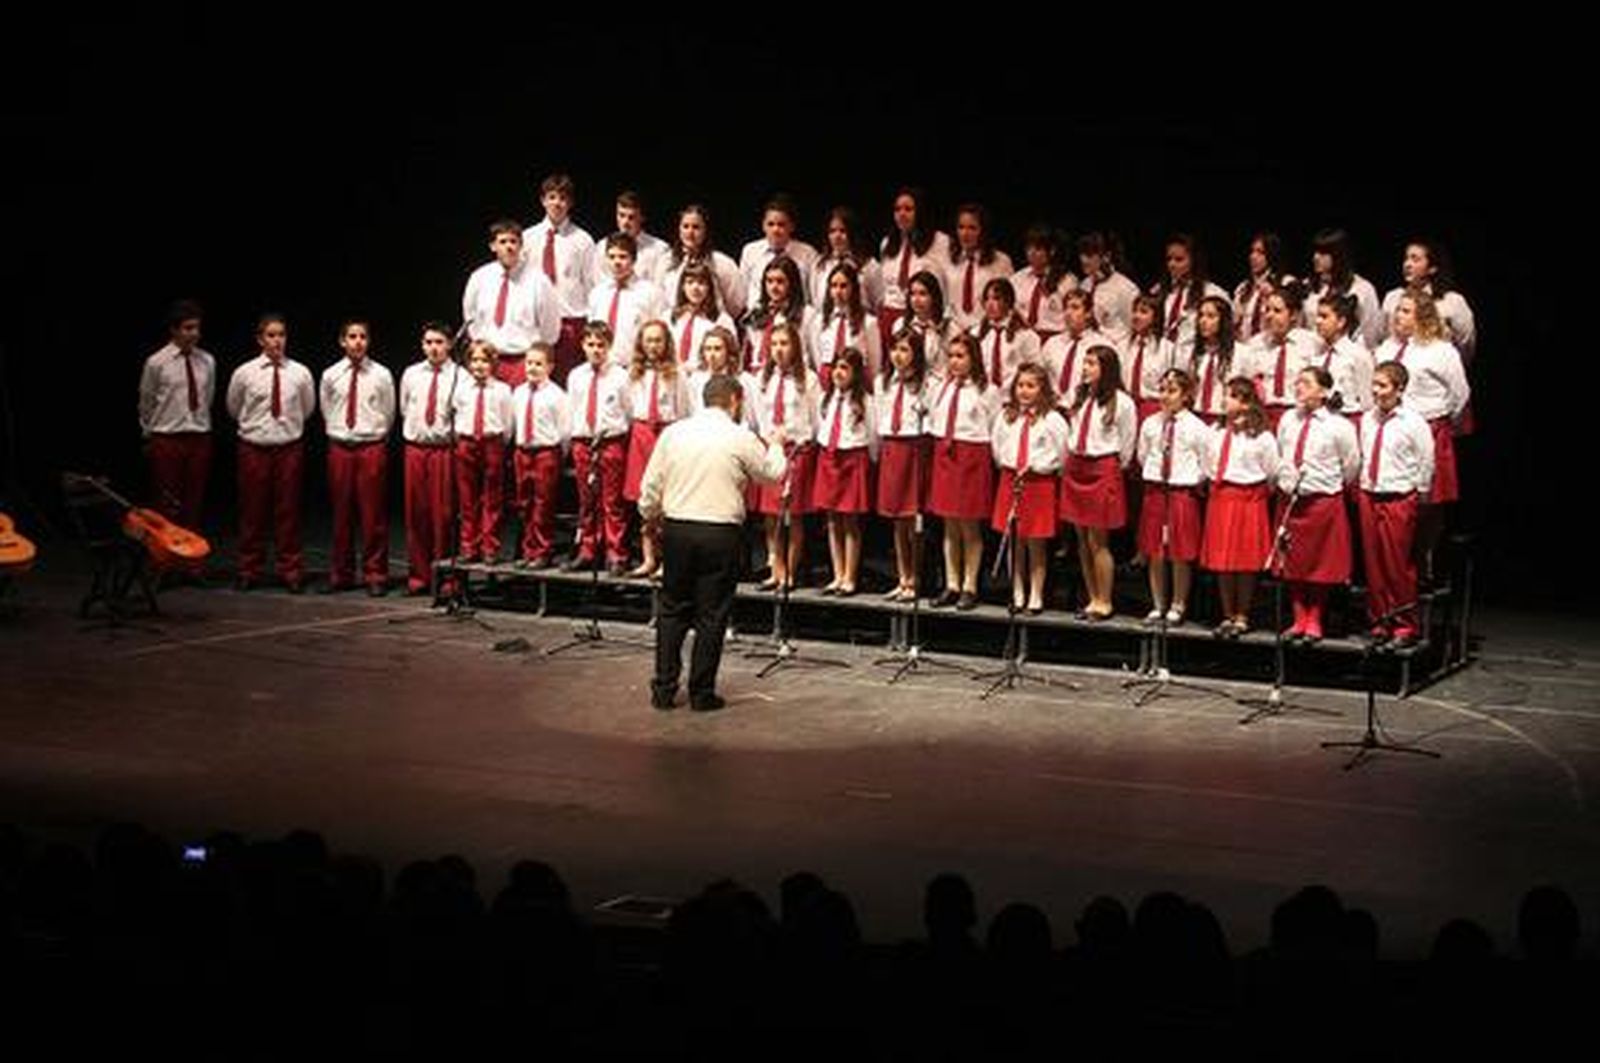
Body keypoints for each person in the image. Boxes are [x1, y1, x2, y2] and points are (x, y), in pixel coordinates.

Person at [639, 374, 787, 712]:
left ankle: (663, 689)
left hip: (679, 528)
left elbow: (651, 484)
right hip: (720, 532)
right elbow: (771, 474)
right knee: (711, 613)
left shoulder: (674, 433)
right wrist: (777, 443)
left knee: (672, 610)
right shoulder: (740, 436)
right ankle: (701, 692)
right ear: (735, 401)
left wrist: (650, 515)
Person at [226, 313, 316, 591]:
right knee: (252, 512)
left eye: (281, 335)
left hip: (288, 448)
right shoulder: (245, 373)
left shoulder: (299, 373)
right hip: (255, 449)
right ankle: (248, 568)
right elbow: (234, 407)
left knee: (288, 511)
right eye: (271, 335)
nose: (277, 341)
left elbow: (307, 408)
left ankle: (291, 570)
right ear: (260, 339)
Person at [1358, 361, 1435, 647]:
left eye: (1383, 385)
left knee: (1397, 563)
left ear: (1399, 389)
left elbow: (1426, 461)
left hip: (1399, 496)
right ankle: (1380, 619)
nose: (1376, 391)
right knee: (1373, 562)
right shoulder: (1368, 419)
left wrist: (1420, 494)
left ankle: (1404, 623)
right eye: (1374, 384)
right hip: (1371, 493)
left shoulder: (1413, 422)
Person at [319, 319, 396, 594]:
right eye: (352, 336)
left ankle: (375, 575)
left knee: (373, 515)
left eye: (363, 336)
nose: (358, 341)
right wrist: (341, 431)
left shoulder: (381, 374)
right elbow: (325, 408)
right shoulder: (331, 375)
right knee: (341, 514)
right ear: (342, 341)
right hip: (341, 447)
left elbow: (388, 413)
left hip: (370, 447)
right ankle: (342, 574)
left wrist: (373, 434)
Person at [1060, 345, 1137, 620]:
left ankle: (1105, 600)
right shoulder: (1079, 396)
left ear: (1107, 368)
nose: (1085, 368)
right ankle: (1092, 597)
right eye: (1085, 362)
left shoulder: (1122, 402)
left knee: (1098, 540)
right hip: (1077, 466)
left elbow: (1127, 445)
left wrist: (1114, 467)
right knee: (1081, 538)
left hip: (1102, 468)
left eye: (1092, 364)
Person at [1201, 378, 1279, 637]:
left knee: (1244, 561)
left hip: (1249, 497)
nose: (1225, 401)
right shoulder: (1217, 432)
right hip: (1222, 496)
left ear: (1246, 404)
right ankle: (1226, 613)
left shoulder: (1262, 437)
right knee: (1223, 561)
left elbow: (1271, 472)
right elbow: (1208, 462)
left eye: (1231, 396)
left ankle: (1242, 614)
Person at [991, 362, 1066, 614]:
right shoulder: (1006, 416)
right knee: (1015, 540)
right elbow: (997, 447)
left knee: (1036, 541)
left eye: (1031, 386)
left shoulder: (1053, 419)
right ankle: (1017, 590)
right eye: (1021, 385)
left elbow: (1063, 454)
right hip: (1011, 480)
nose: (1024, 391)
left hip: (1038, 483)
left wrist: (1038, 466)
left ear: (1042, 389)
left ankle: (1036, 593)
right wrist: (1009, 465)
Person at [1136, 368, 1209, 624]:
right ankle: (1158, 603)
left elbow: (1205, 463)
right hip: (1156, 489)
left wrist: (1188, 480)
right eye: (1163, 390)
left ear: (1186, 395)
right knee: (1155, 549)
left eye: (1172, 391)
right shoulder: (1151, 423)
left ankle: (1178, 604)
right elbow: (1142, 455)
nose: (1165, 396)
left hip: (1182, 492)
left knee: (1180, 552)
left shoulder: (1197, 427)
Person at [139, 299, 215, 534]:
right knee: (166, 502)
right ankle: (166, 562)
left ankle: (189, 562)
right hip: (167, 438)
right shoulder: (157, 362)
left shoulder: (207, 361)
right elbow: (147, 402)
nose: (194, 334)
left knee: (194, 501)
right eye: (188, 328)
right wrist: (149, 435)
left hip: (198, 437)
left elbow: (207, 398)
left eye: (197, 328)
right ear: (174, 329)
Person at [398, 322, 462, 595]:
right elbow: (403, 408)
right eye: (428, 342)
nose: (433, 348)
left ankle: (447, 577)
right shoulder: (412, 374)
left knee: (444, 515)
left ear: (449, 344)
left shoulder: (460, 376)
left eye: (439, 342)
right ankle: (419, 575)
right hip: (416, 449)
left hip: (444, 451)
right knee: (417, 513)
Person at [462, 219, 560, 386]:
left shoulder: (538, 281)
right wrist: (482, 350)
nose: (509, 246)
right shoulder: (479, 277)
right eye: (502, 241)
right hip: (488, 361)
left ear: (521, 246)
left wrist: (535, 357)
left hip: (523, 362)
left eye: (513, 241)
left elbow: (550, 328)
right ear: (493, 246)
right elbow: (470, 317)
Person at [522, 173, 595, 380]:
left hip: (570, 323)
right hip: (535, 322)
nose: (557, 203)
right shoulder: (528, 238)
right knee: (536, 381)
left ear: (570, 203)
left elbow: (591, 284)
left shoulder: (583, 240)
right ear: (543, 200)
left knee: (568, 380)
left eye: (563, 198)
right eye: (552, 197)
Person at [451, 341, 514, 563]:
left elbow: (507, 424)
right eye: (475, 360)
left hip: (491, 443)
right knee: (468, 498)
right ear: (468, 363)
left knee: (492, 497)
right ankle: (469, 545)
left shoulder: (503, 390)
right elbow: (457, 415)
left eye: (484, 360)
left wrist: (498, 443)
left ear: (493, 364)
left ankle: (490, 546)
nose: (479, 365)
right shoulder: (461, 389)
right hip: (467, 443)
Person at [510, 344, 570, 570]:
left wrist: (557, 456)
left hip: (546, 453)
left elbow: (565, 431)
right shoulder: (518, 392)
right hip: (523, 452)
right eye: (529, 363)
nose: (532, 368)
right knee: (524, 503)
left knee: (543, 505)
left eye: (538, 364)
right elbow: (513, 424)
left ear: (550, 367)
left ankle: (543, 551)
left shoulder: (557, 395)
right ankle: (528, 550)